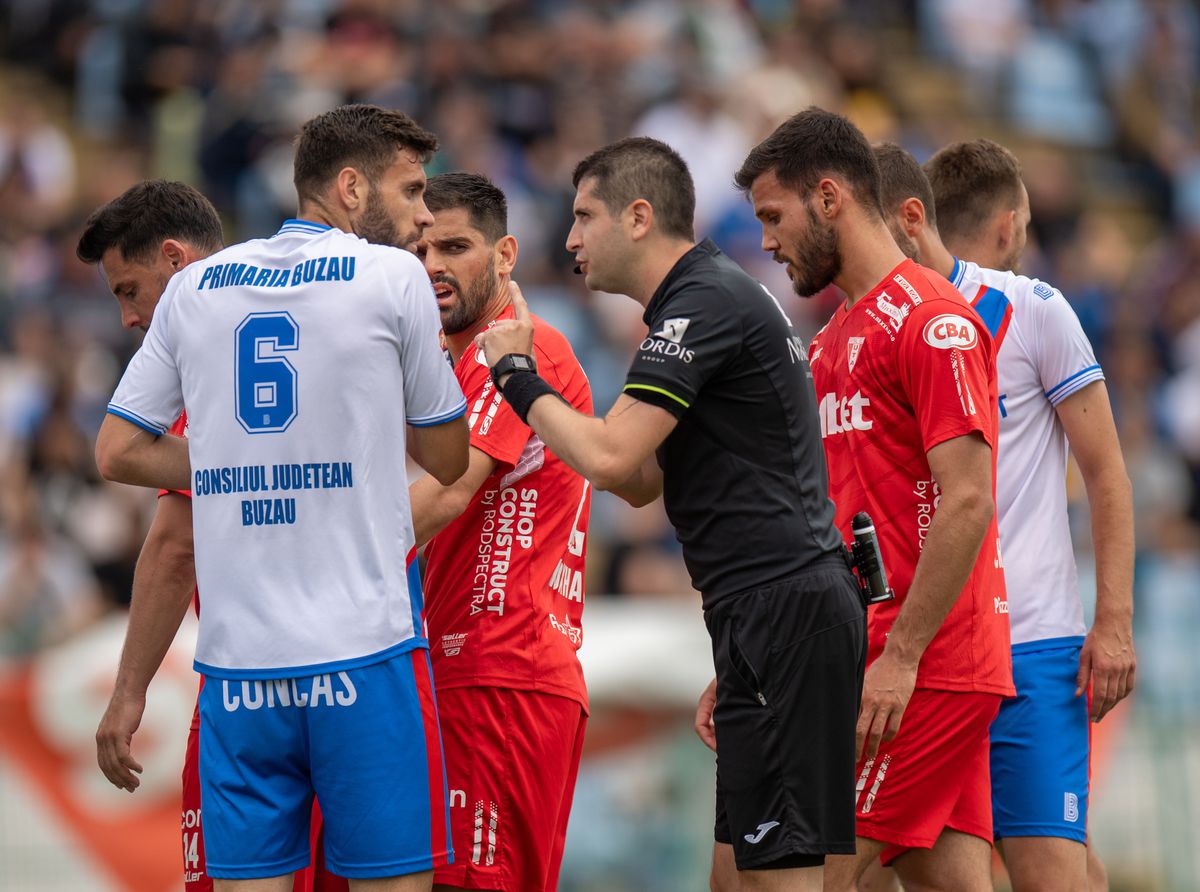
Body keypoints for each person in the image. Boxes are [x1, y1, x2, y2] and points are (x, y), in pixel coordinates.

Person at [94, 104, 470, 892]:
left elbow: (118, 449)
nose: (424, 214)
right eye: (411, 191)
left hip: (239, 673)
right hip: (363, 655)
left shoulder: (194, 288)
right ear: (350, 187)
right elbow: (445, 454)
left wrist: (239, 462)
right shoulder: (391, 276)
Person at [476, 136, 866, 892]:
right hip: (760, 615)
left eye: (586, 215)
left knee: (782, 882)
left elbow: (616, 461)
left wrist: (518, 377)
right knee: (737, 878)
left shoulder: (703, 302)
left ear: (639, 217)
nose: (570, 238)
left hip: (783, 608)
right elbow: (642, 480)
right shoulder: (694, 305)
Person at [735, 108, 1015, 892]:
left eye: (773, 215)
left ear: (830, 198)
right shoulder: (830, 340)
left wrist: (901, 656)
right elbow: (820, 522)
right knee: (950, 878)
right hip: (874, 656)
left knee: (808, 877)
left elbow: (966, 502)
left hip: (925, 664)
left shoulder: (933, 322)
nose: (765, 240)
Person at [875, 140, 1134, 891]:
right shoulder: (866, 332)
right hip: (924, 649)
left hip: (1031, 640)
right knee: (923, 871)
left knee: (1049, 868)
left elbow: (1107, 475)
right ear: (1011, 223)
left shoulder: (1033, 309)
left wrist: (1112, 621)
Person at [78, 179, 348, 892]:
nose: (132, 317)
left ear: (175, 259)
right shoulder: (335, 316)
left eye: (130, 290)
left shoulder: (223, 357)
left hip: (254, 685)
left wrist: (128, 691)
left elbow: (175, 545)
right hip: (365, 672)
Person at [408, 171, 591, 892]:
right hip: (470, 667)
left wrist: (328, 568)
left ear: (506, 253)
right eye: (420, 249)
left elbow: (452, 490)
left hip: (501, 667)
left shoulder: (520, 350)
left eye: (454, 246)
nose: (433, 267)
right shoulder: (451, 361)